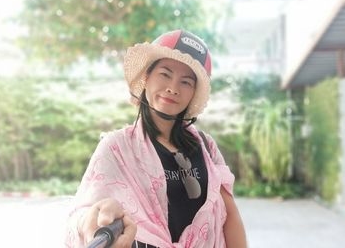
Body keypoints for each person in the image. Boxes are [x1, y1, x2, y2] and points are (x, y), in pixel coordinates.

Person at [65, 29, 247, 248]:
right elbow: (85, 215)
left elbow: (230, 216)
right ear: (147, 76)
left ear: (193, 93)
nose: (173, 88)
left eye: (186, 82)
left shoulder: (206, 146)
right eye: (165, 74)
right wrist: (95, 221)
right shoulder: (116, 148)